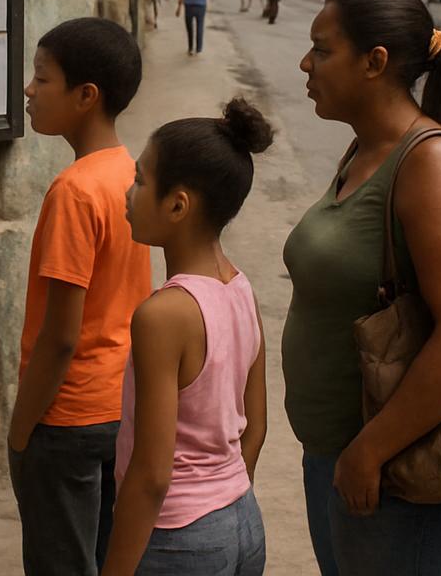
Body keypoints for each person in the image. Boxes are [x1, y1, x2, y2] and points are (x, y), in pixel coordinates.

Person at [285, 0, 441, 576]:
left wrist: (371, 449)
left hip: (398, 469)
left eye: (322, 50)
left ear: (374, 62)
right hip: (341, 454)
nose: (306, 64)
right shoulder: (365, 149)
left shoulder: (431, 162)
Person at [105, 100, 273, 576]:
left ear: (178, 204)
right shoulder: (241, 289)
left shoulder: (162, 315)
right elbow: (254, 427)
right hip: (241, 519)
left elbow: (152, 473)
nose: (128, 193)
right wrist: (224, 500)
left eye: (140, 181)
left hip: (179, 538)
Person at [11, 18, 151, 576]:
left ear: (85, 96)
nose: (28, 90)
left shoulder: (74, 191)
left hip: (66, 416)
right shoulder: (129, 172)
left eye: (42, 80)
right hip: (120, 406)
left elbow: (62, 335)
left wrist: (22, 426)